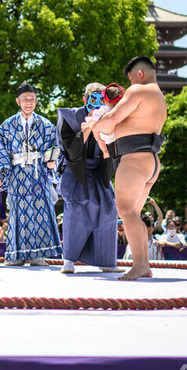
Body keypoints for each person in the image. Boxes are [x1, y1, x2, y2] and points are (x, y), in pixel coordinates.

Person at [85, 56, 167, 280]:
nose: (129, 85)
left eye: (130, 79)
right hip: (150, 160)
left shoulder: (139, 90)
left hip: (134, 159)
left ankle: (140, 264)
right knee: (134, 213)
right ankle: (144, 264)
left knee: (127, 211)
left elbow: (112, 118)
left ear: (139, 74)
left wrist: (96, 129)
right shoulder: (159, 96)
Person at [0, 82, 61, 267]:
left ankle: (38, 256)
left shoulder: (46, 125)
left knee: (41, 212)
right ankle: (16, 254)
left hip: (38, 172)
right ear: (18, 101)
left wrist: (53, 161)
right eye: (25, 99)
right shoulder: (7, 125)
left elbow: (56, 146)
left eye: (32, 99)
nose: (29, 102)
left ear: (36, 101)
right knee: (18, 214)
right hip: (17, 174)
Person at [56, 82, 121, 274]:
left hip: (98, 171)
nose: (97, 100)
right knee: (77, 208)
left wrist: (104, 122)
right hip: (75, 170)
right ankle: (68, 260)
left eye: (100, 97)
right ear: (85, 99)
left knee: (109, 208)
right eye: (93, 97)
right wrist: (88, 126)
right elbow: (69, 148)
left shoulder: (109, 114)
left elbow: (113, 145)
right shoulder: (69, 116)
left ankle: (106, 261)